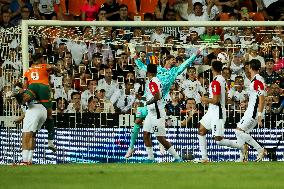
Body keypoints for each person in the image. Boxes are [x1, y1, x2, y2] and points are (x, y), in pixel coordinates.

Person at [125, 45, 205, 158]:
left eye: (175, 60)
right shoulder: (157, 69)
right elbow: (141, 65)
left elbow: (186, 63)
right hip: (147, 99)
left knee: (154, 126)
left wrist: (197, 52)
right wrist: (133, 52)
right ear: (166, 60)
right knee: (138, 122)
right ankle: (131, 147)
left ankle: (160, 144)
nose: (174, 61)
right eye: (172, 59)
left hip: (158, 102)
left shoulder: (175, 71)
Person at [197, 60, 241, 163]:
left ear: (212, 69)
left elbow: (216, 100)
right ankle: (204, 158)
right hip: (213, 111)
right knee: (201, 130)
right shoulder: (222, 80)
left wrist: (204, 99)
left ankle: (242, 146)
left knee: (219, 140)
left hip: (217, 112)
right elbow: (225, 99)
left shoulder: (216, 82)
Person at [142, 64, 182, 163]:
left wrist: (146, 102)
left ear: (148, 73)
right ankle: (150, 158)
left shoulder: (152, 82)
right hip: (151, 113)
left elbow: (157, 96)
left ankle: (177, 157)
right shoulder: (154, 81)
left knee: (160, 138)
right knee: (146, 134)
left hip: (157, 114)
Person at [20, 53, 58, 152]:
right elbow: (56, 69)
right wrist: (54, 68)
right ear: (41, 59)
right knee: (49, 116)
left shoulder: (28, 71)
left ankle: (19, 99)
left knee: (24, 100)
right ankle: (50, 142)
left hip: (32, 87)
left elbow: (25, 86)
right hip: (44, 87)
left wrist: (25, 92)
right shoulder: (44, 65)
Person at [12, 83, 47, 165]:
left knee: (26, 135)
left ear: (23, 88)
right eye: (15, 89)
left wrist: (15, 95)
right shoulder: (24, 94)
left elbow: (23, 101)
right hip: (41, 110)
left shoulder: (27, 92)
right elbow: (26, 109)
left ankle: (24, 161)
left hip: (35, 109)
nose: (17, 91)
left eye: (18, 89)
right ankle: (29, 160)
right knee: (32, 135)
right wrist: (21, 118)